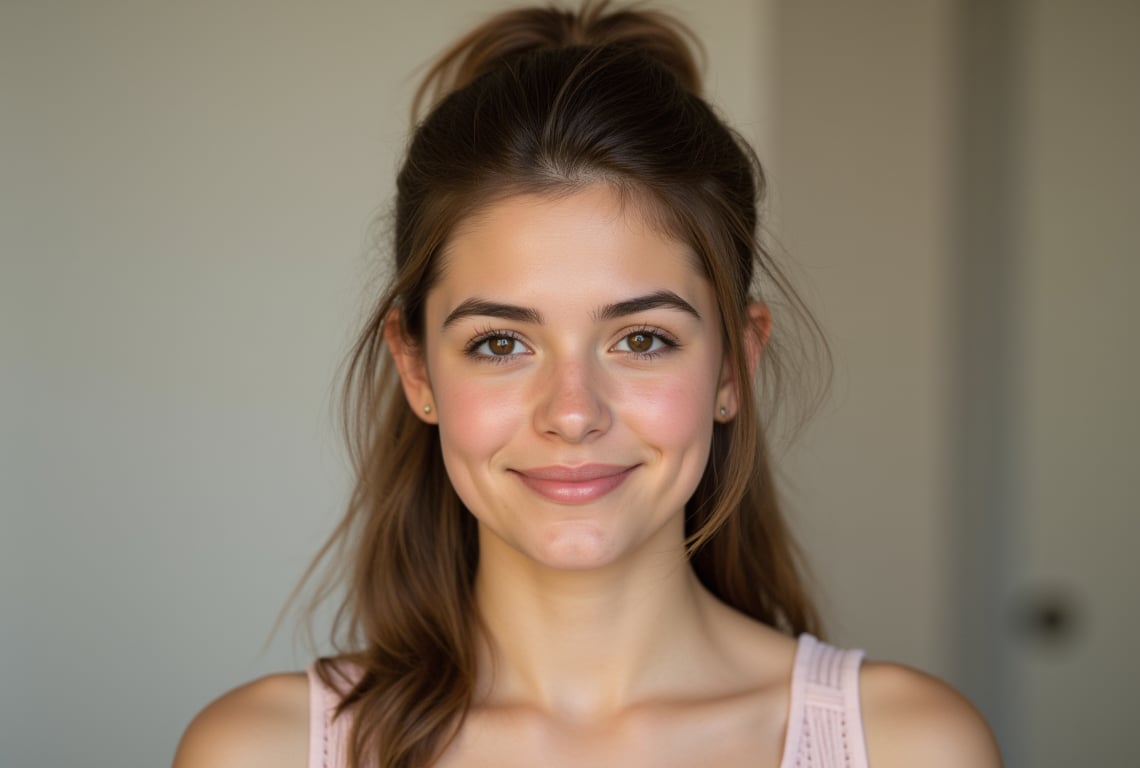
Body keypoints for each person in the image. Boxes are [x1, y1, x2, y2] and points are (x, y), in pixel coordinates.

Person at [173, 2, 1002, 766]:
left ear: (733, 366)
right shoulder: (258, 751)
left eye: (642, 339)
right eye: (501, 343)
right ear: (416, 368)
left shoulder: (909, 745)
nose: (573, 413)